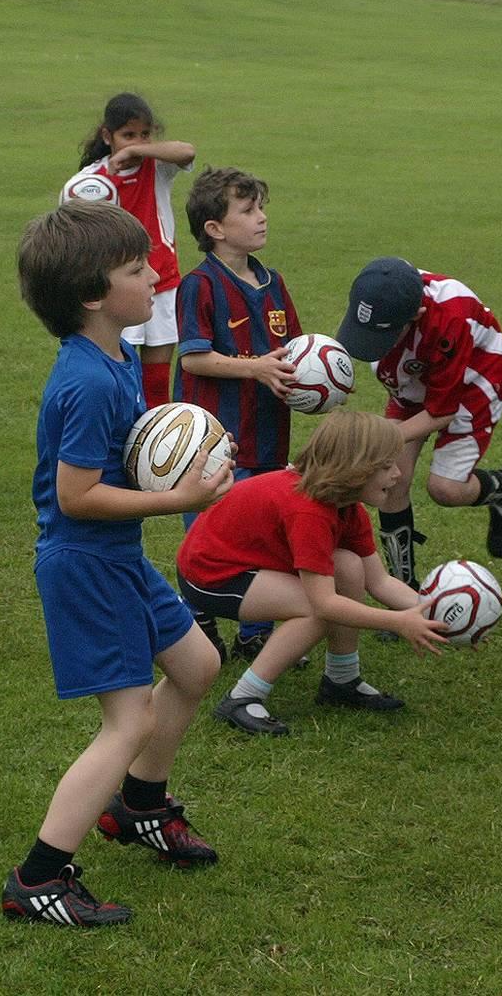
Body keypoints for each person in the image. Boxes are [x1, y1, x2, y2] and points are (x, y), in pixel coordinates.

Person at [3, 202, 232, 927]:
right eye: (137, 270)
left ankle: (138, 806)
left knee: (196, 667)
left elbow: (126, 457)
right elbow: (75, 496)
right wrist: (182, 498)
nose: (155, 275)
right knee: (126, 721)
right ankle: (38, 878)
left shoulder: (120, 354)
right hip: (82, 563)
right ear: (93, 297)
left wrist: (181, 454)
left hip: (116, 558)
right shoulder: (89, 381)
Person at [178, 409, 449, 736]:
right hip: (210, 574)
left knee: (349, 565)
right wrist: (397, 622)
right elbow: (325, 605)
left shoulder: (346, 505)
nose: (397, 473)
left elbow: (379, 581)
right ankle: (242, 697)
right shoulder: (309, 509)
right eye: (386, 466)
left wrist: (438, 613)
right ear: (355, 469)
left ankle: (342, 680)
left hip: (247, 563)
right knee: (315, 608)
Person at [174, 166, 300, 660]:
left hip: (269, 436)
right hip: (214, 442)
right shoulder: (200, 286)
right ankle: (199, 615)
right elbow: (194, 357)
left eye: (261, 208)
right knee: (210, 535)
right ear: (215, 229)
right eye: (248, 211)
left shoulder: (273, 284)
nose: (262, 218)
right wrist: (256, 368)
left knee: (263, 535)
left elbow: (293, 351)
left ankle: (255, 631)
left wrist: (310, 383)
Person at [334, 257, 502, 589]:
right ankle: (403, 587)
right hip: (416, 374)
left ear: (416, 317)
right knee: (392, 481)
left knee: (445, 489)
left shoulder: (450, 319)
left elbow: (442, 411)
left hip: (473, 382)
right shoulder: (384, 290)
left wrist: (382, 435)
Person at [62, 93, 196, 410]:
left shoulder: (159, 166)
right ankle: (124, 432)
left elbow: (187, 151)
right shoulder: (89, 183)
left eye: (145, 134)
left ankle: (157, 439)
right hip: (119, 289)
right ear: (107, 136)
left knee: (158, 378)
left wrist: (137, 149)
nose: (137, 142)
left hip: (163, 281)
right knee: (122, 368)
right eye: (128, 135)